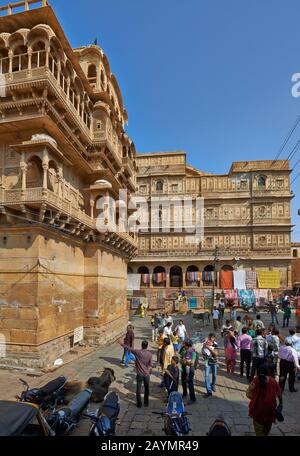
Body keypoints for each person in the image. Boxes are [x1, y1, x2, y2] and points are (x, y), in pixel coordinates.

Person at [247, 364, 282, 437]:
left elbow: (248, 393)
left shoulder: (256, 380)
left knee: (259, 431)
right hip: (270, 410)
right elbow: (279, 393)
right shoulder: (273, 381)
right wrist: (281, 404)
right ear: (268, 372)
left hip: (258, 410)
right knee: (266, 431)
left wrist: (254, 398)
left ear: (258, 372)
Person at [119, 339, 152, 408]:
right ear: (147, 346)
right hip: (146, 374)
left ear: (142, 346)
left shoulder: (138, 352)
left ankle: (139, 404)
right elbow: (150, 365)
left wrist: (122, 344)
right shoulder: (149, 354)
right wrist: (148, 371)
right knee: (147, 389)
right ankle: (146, 403)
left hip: (139, 374)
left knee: (138, 389)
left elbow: (129, 348)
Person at [180, 339, 197, 404]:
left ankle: (193, 398)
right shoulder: (184, 350)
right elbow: (181, 358)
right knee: (183, 381)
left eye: (185, 344)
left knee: (190, 384)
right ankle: (184, 394)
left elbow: (192, 362)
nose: (183, 345)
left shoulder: (193, 352)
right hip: (184, 368)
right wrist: (182, 360)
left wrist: (186, 361)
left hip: (190, 369)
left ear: (188, 345)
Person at [202, 333, 218, 398]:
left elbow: (216, 354)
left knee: (214, 375)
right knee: (206, 376)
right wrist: (204, 347)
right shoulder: (205, 343)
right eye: (209, 338)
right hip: (207, 361)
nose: (210, 340)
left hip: (214, 362)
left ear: (214, 339)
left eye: (212, 339)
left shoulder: (215, 344)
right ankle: (209, 391)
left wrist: (209, 348)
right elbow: (202, 351)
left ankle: (213, 385)